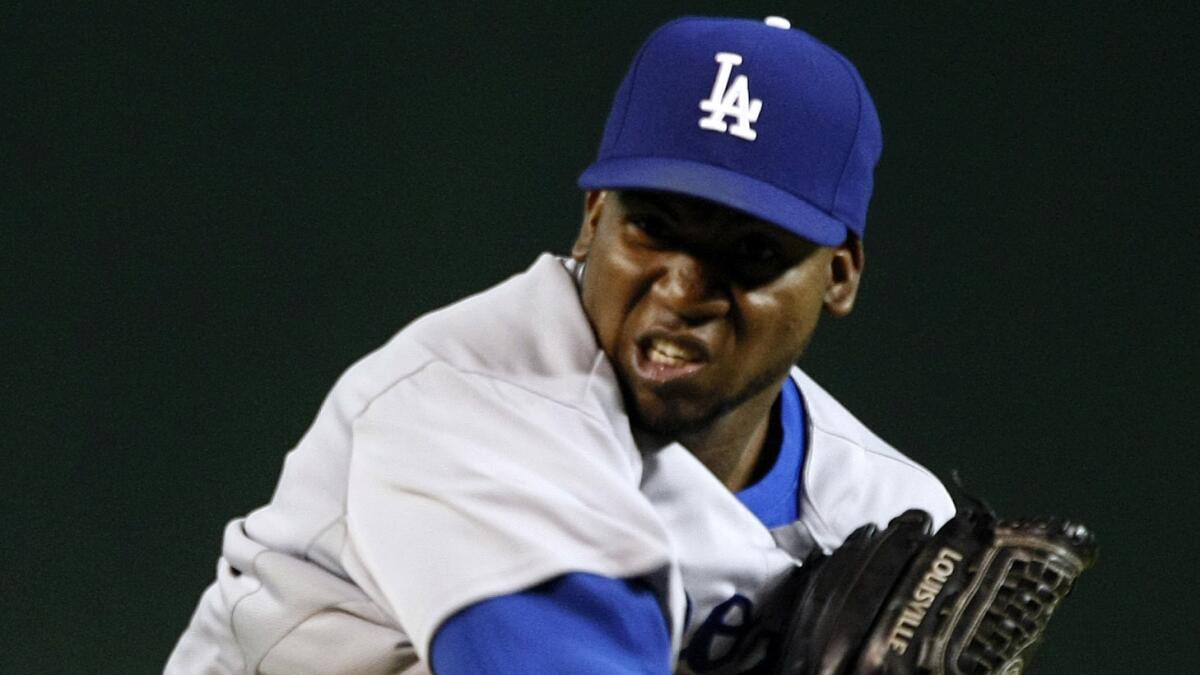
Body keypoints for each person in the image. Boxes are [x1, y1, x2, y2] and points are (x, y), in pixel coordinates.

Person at [167, 15, 953, 675]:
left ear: (839, 276)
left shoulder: (886, 509)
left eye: (750, 253)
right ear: (593, 217)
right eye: (652, 227)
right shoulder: (463, 405)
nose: (680, 291)